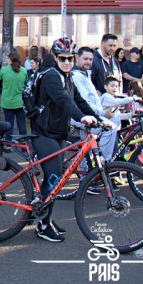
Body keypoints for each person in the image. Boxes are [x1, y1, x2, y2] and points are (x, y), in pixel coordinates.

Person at [31, 37, 99, 242]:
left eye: (70, 58)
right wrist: (82, 118)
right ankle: (42, 225)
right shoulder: (52, 77)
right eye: (63, 58)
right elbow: (64, 100)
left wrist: (100, 119)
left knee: (56, 179)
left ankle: (46, 217)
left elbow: (79, 100)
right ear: (54, 57)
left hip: (57, 133)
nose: (67, 62)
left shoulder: (67, 76)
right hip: (43, 134)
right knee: (53, 177)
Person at [72, 46, 118, 193]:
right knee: (109, 129)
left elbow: (93, 99)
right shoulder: (77, 76)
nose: (88, 62)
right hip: (84, 116)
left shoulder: (85, 74)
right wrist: (100, 115)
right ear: (77, 58)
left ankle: (92, 173)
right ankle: (100, 168)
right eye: (85, 59)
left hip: (90, 115)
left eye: (90, 59)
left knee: (85, 148)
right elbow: (85, 101)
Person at [0, 52, 28, 142]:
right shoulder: (24, 70)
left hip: (7, 102)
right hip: (20, 102)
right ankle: (24, 144)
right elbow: (26, 83)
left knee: (9, 124)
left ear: (10, 60)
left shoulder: (3, 70)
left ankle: (8, 143)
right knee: (22, 124)